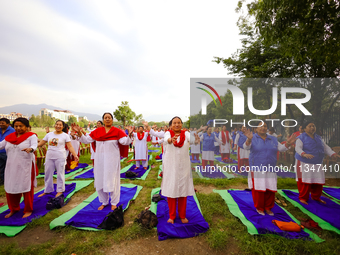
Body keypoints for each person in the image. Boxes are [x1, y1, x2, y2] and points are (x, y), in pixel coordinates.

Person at [72, 113, 133, 211]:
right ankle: (104, 202)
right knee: (100, 179)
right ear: (103, 120)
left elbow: (125, 142)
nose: (107, 119)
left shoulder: (117, 131)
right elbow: (87, 140)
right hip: (99, 159)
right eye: (105, 118)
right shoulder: (97, 131)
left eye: (109, 118)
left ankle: (114, 202)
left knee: (113, 180)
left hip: (112, 160)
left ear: (112, 120)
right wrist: (79, 133)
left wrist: (129, 134)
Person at [243, 120, 297, 216]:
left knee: (270, 188)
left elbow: (281, 148)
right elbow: (246, 147)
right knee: (259, 189)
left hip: (270, 167)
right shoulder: (252, 138)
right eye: (261, 126)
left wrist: (288, 143)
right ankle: (259, 208)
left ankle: (268, 207)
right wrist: (249, 140)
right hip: (257, 168)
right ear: (256, 129)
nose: (263, 128)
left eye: (265, 126)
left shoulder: (273, 139)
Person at [294, 121, 340, 205]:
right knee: (305, 181)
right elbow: (297, 148)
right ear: (305, 128)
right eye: (310, 126)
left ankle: (316, 197)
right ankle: (303, 198)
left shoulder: (319, 138)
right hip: (304, 162)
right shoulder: (300, 138)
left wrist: (333, 154)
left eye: (313, 126)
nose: (312, 127)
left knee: (318, 180)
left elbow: (325, 148)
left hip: (317, 162)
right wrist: (304, 154)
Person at [0, 118, 38, 218]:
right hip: (11, 166)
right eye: (16, 126)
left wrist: (31, 149)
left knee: (26, 188)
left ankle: (28, 209)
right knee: (11, 187)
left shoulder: (31, 136)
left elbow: (35, 145)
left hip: (26, 166)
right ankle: (14, 209)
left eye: (20, 126)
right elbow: (1, 145)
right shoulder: (10, 137)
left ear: (26, 127)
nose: (18, 128)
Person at [162, 116, 195, 224]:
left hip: (184, 167)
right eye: (174, 123)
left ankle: (182, 215)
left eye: (179, 122)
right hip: (171, 167)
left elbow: (193, 140)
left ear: (182, 124)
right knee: (171, 190)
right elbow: (165, 140)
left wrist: (197, 138)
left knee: (182, 190)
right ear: (171, 125)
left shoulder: (186, 134)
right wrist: (170, 140)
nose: (177, 124)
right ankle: (172, 216)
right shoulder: (168, 133)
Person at [37, 120, 79, 198]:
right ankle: (47, 190)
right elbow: (42, 142)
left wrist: (75, 155)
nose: (58, 126)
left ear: (63, 127)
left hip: (60, 157)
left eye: (60, 125)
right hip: (49, 156)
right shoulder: (49, 134)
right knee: (48, 173)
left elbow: (69, 146)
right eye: (57, 124)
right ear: (55, 125)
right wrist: (32, 147)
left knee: (60, 173)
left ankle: (60, 190)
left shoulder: (65, 135)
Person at [0, 118, 15, 184]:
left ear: (8, 124)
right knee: (0, 167)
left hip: (7, 152)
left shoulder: (12, 131)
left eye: (3, 123)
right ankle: (2, 181)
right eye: (0, 123)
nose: (1, 124)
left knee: (7, 167)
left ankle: (7, 180)